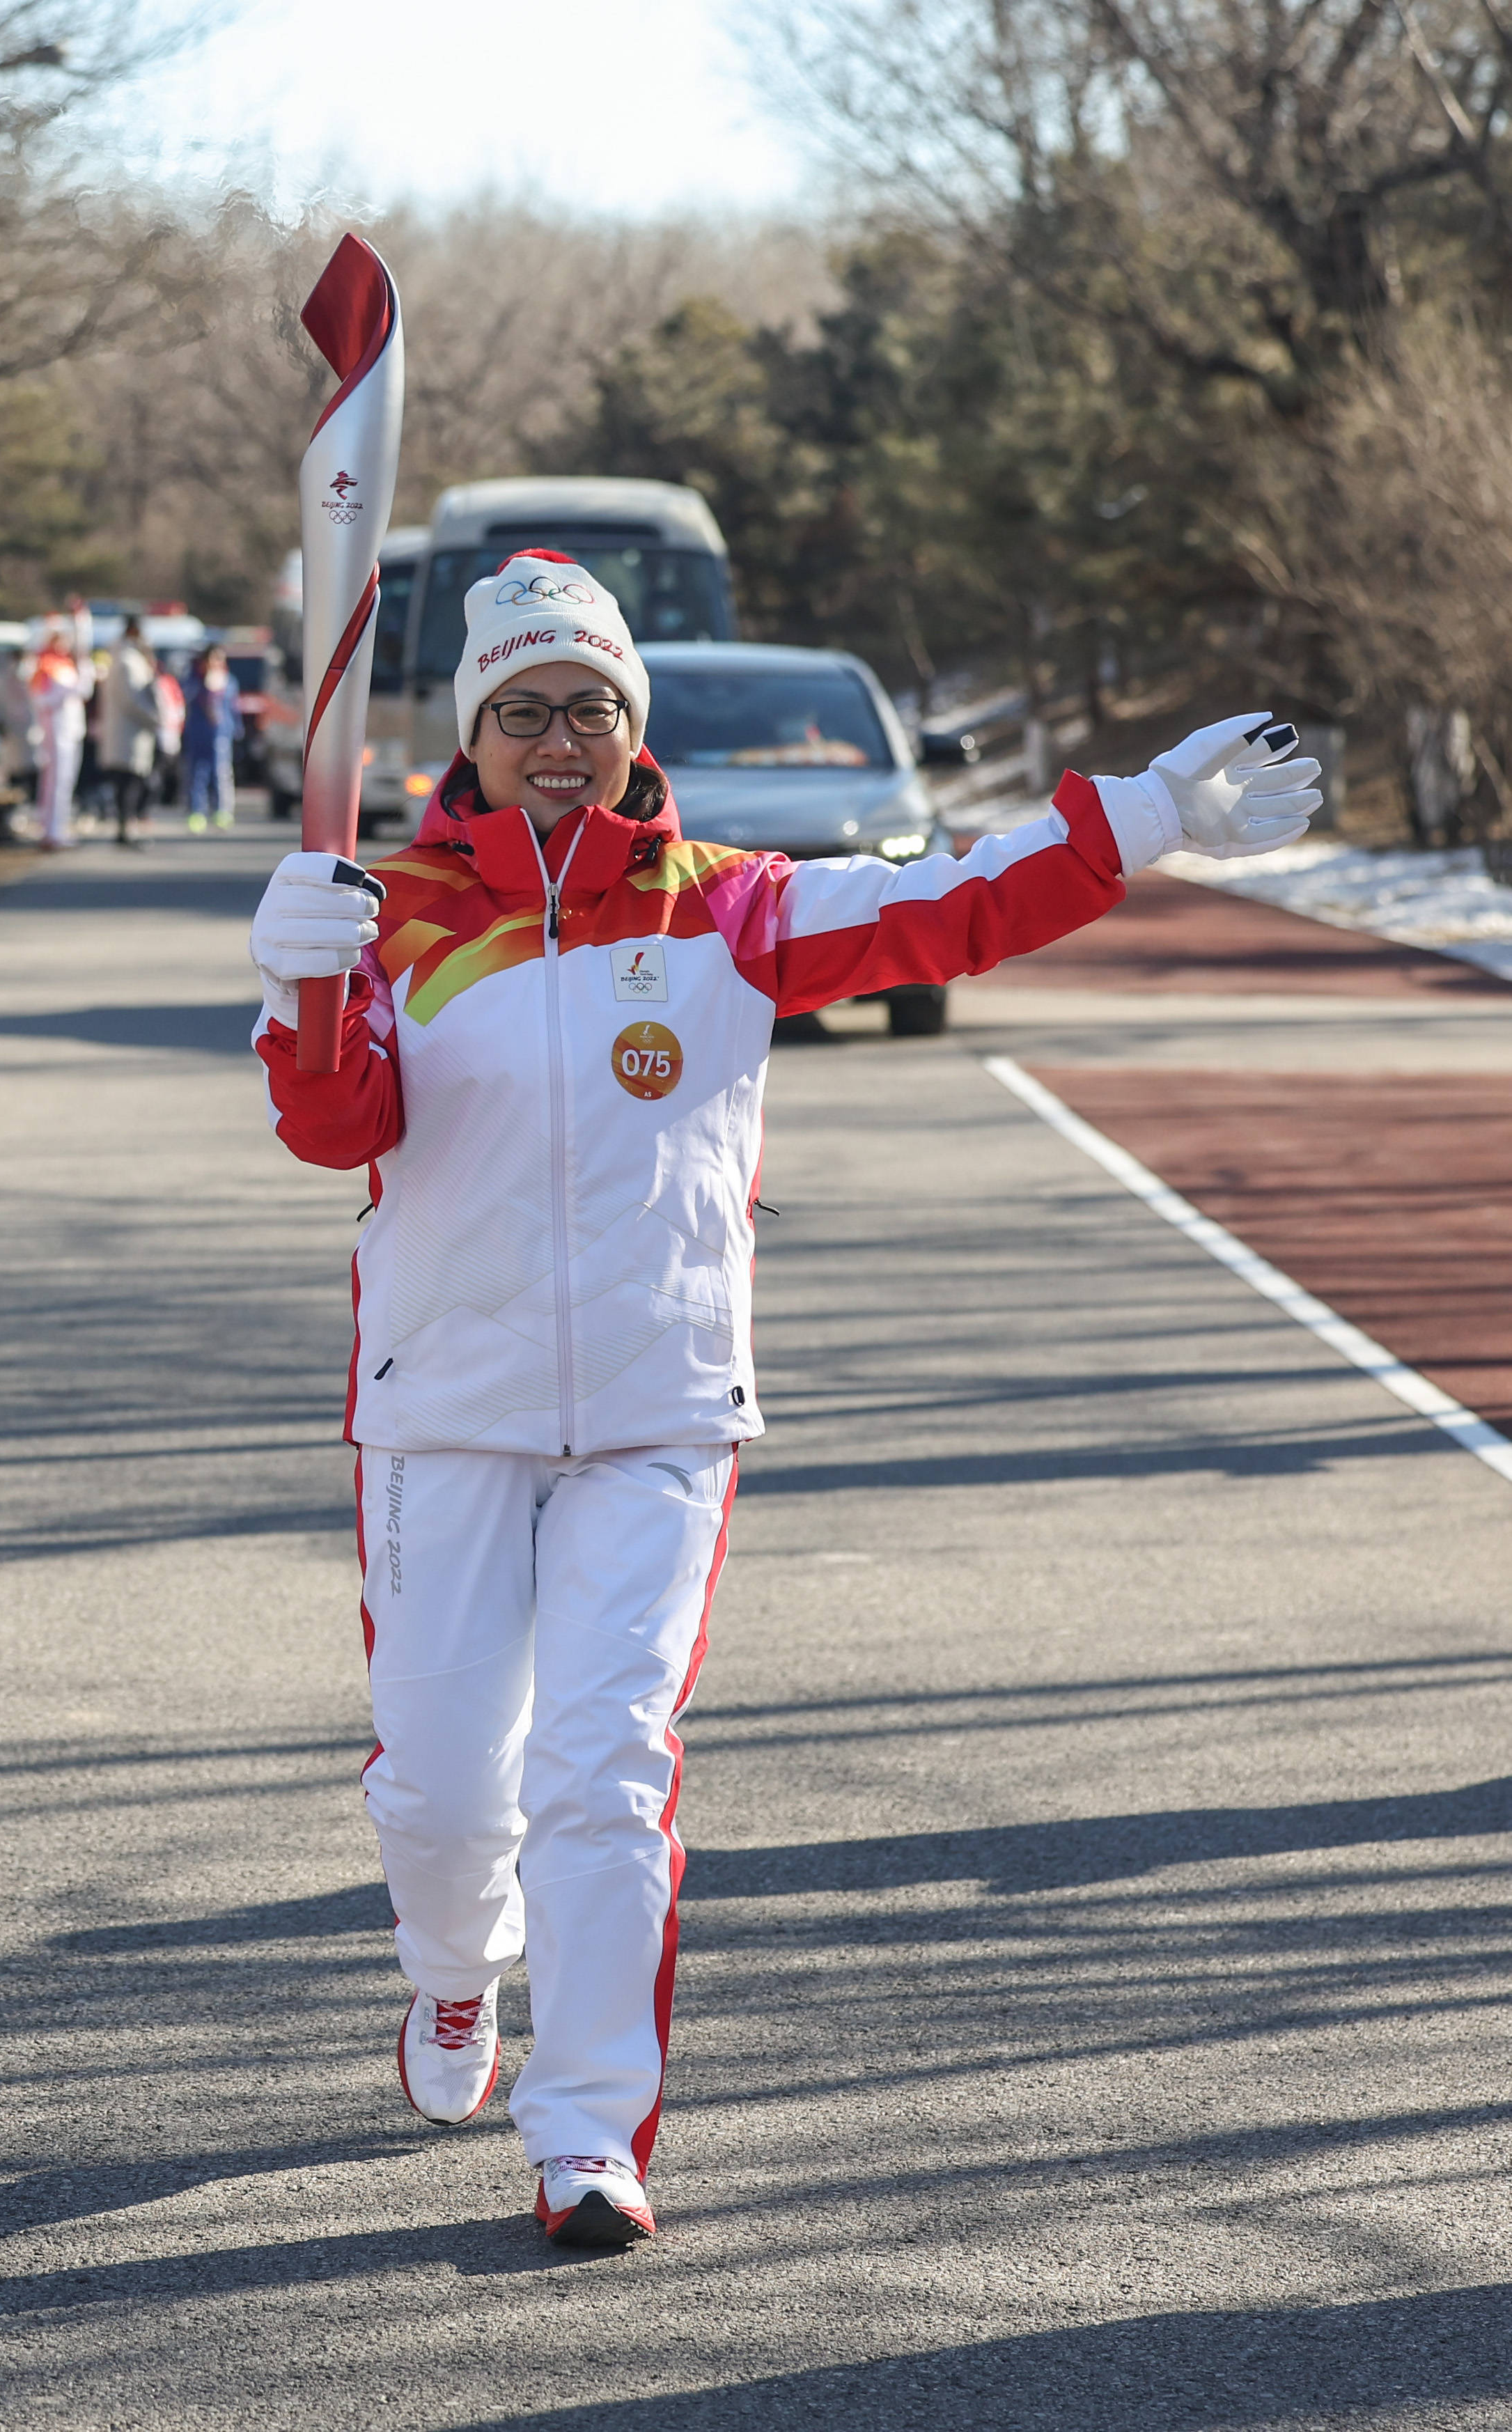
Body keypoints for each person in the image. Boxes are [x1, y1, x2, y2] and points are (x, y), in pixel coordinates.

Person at [245, 554, 1319, 2250]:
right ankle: (454, 1977)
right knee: (445, 1795)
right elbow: (333, 1127)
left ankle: (587, 2127)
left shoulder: (725, 905)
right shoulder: (386, 912)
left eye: (587, 707)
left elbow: (956, 899)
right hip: (439, 1409)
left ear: (627, 730)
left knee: (602, 1770)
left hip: (662, 1409)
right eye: (521, 709)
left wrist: (1140, 812)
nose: (557, 739)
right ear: (471, 735)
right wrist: (302, 982)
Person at [28, 607, 93, 850]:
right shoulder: (44, 664)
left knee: (65, 783)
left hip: (72, 729)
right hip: (55, 732)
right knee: (54, 782)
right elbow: (39, 700)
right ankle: (51, 832)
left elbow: (85, 689)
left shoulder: (67, 664)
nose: (64, 642)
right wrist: (62, 695)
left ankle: (58, 828)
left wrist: (83, 624)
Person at [98, 616, 159, 848]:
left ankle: (127, 829)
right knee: (128, 785)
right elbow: (131, 700)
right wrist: (154, 718)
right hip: (127, 734)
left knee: (130, 785)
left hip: (129, 733)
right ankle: (125, 831)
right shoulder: (126, 660)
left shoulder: (127, 658)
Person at [183, 644, 242, 832]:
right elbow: (186, 696)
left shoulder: (229, 682)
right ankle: (197, 812)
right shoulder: (194, 681)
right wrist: (205, 689)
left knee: (221, 772)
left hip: (221, 735)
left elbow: (233, 709)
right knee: (197, 773)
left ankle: (222, 811)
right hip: (198, 733)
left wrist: (236, 729)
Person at [154, 660, 186, 811]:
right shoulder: (171, 682)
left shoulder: (161, 683)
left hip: (165, 728)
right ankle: (171, 797)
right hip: (172, 728)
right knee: (171, 765)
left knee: (165, 766)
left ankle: (168, 796)